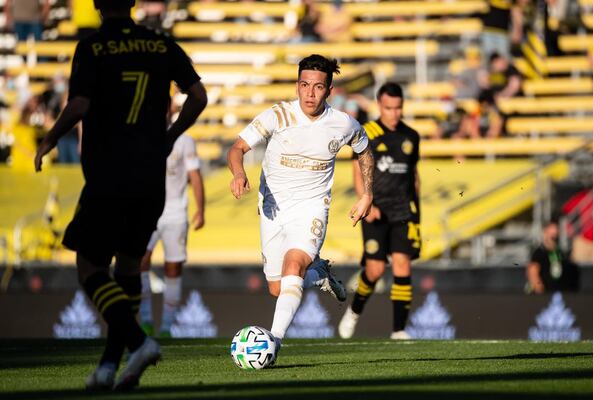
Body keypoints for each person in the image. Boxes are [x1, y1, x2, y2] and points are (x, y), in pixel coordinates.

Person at [33, 0, 207, 391]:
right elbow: (198, 96)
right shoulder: (161, 44)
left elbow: (79, 103)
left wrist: (49, 138)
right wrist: (171, 136)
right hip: (150, 178)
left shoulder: (93, 46)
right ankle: (109, 366)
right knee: (127, 271)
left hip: (110, 174)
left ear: (96, 5)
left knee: (90, 268)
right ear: (131, 3)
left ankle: (138, 342)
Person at [227, 54, 374, 363]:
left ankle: (273, 345)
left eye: (318, 87)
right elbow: (237, 148)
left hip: (311, 208)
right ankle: (319, 274)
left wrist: (367, 195)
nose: (310, 93)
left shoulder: (343, 123)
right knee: (277, 288)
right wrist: (239, 173)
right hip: (273, 208)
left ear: (329, 91)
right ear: (297, 86)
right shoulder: (278, 115)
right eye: (305, 85)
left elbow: (364, 150)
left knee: (293, 265)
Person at [338, 83, 421, 340]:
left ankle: (398, 330)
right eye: (388, 108)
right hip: (376, 209)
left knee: (402, 265)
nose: (394, 114)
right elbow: (357, 168)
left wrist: (417, 210)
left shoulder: (411, 136)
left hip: (403, 211)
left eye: (398, 108)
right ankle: (354, 311)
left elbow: (414, 174)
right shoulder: (368, 133)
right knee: (374, 271)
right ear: (379, 105)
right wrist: (366, 201)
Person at [139, 133, 205, 337]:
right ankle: (146, 320)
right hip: (147, 210)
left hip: (175, 211)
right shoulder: (142, 134)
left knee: (173, 267)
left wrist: (200, 209)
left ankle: (167, 326)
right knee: (141, 260)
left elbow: (195, 175)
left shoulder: (184, 140)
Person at [527, 220, 579, 294]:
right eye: (551, 234)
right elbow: (533, 272)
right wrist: (539, 290)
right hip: (545, 294)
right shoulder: (539, 252)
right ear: (545, 233)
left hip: (560, 293)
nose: (554, 237)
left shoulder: (561, 252)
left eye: (555, 234)